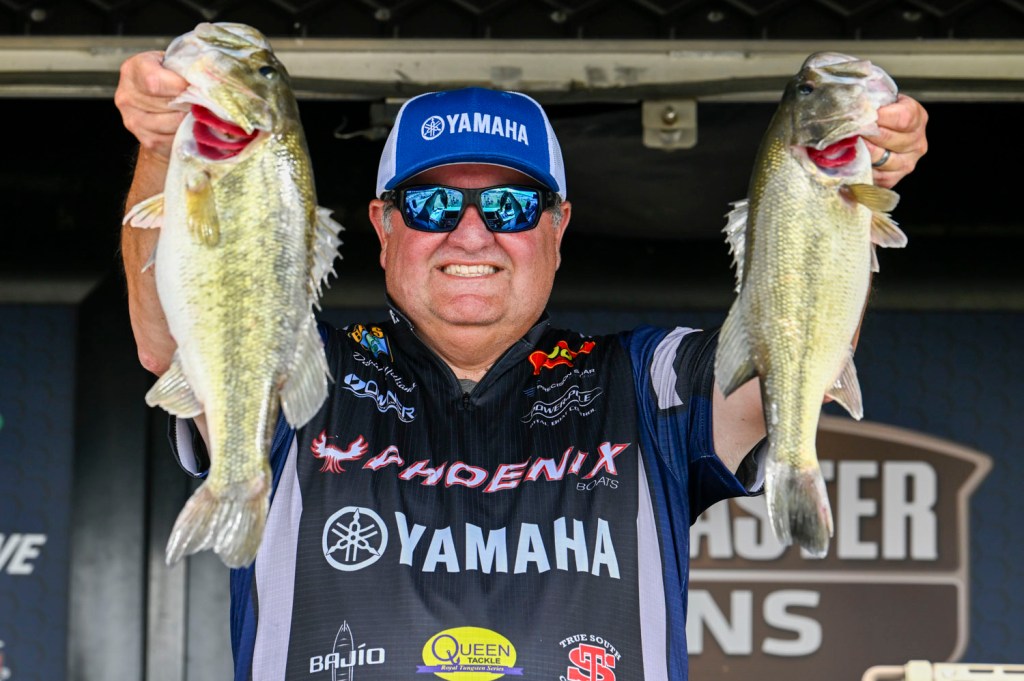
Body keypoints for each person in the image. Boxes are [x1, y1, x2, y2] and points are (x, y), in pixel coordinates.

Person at [115, 50, 929, 681]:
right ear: (385, 227)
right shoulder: (295, 362)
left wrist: (849, 187)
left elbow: (796, 347)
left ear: (557, 227)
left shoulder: (645, 381)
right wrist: (163, 151)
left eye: (509, 205)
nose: (472, 234)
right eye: (433, 204)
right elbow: (167, 338)